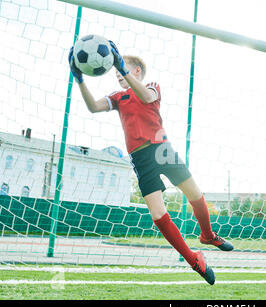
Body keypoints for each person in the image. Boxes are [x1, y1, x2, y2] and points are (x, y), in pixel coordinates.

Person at [68, 41, 233, 285]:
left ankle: (207, 235)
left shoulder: (151, 86)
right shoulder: (118, 96)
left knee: (195, 193)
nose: (118, 76)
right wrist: (79, 79)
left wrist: (121, 66)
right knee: (158, 213)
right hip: (141, 157)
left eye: (121, 70)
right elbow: (93, 107)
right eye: (115, 72)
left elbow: (146, 97)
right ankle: (193, 258)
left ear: (135, 71)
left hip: (162, 149)